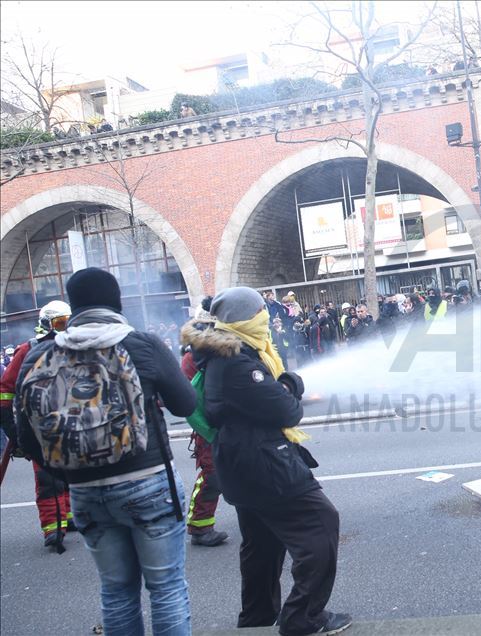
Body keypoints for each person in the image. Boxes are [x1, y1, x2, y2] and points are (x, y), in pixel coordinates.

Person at [14, 267, 196, 635]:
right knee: (166, 589)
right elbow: (186, 404)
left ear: (74, 306)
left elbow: (28, 439)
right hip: (148, 482)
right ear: (117, 302)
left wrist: (71, 474)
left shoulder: (40, 356)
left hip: (85, 492)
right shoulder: (140, 343)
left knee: (116, 591)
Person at [190, 286, 350, 635]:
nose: (267, 319)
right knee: (321, 525)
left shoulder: (228, 352)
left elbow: (268, 402)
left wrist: (281, 390)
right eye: (262, 313)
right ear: (247, 320)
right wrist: (290, 383)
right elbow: (285, 411)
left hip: (241, 465)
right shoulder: (237, 362)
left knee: (261, 548)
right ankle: (302, 619)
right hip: (263, 465)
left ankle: (255, 622)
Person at [0, 300, 74, 549]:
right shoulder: (27, 350)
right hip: (38, 427)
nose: (64, 329)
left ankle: (69, 517)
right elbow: (5, 390)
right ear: (47, 324)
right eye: (60, 323)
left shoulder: (74, 347)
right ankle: (53, 528)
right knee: (48, 479)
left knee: (71, 475)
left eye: (67, 322)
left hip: (71, 423)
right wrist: (13, 430)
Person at [179, 296, 229, 547]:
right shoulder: (192, 360)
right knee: (213, 476)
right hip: (209, 428)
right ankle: (200, 527)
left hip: (231, 423)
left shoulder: (226, 350)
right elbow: (191, 402)